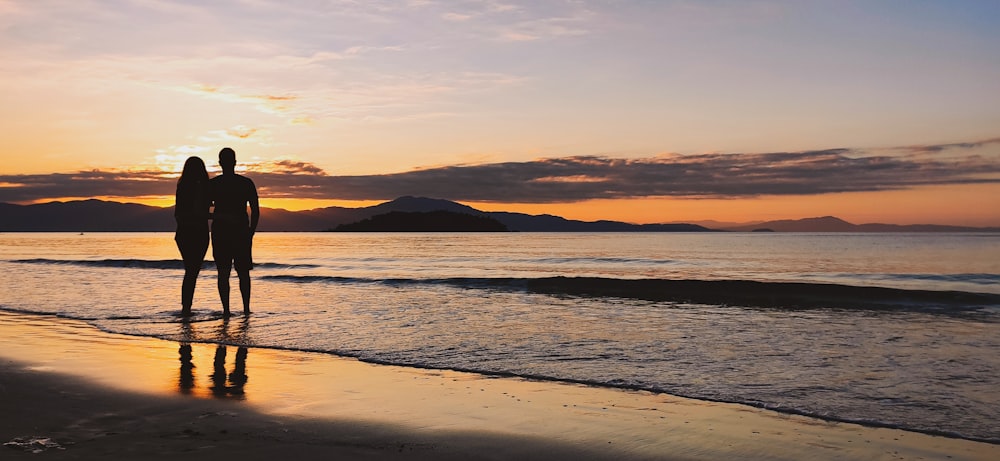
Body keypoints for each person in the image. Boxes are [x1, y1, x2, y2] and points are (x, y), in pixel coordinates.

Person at [210, 147, 260, 316]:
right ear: (235, 162)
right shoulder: (245, 183)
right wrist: (251, 232)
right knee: (243, 273)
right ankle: (245, 310)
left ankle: (227, 311)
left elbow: (203, 210)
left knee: (223, 273)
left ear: (220, 163)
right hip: (240, 233)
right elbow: (255, 210)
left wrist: (218, 215)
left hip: (222, 233)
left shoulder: (214, 184)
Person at [174, 156, 211, 316]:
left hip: (183, 233)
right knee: (192, 271)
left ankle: (186, 307)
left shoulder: (182, 186)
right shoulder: (200, 188)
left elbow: (179, 214)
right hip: (197, 232)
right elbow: (199, 213)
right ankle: (186, 308)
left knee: (190, 271)